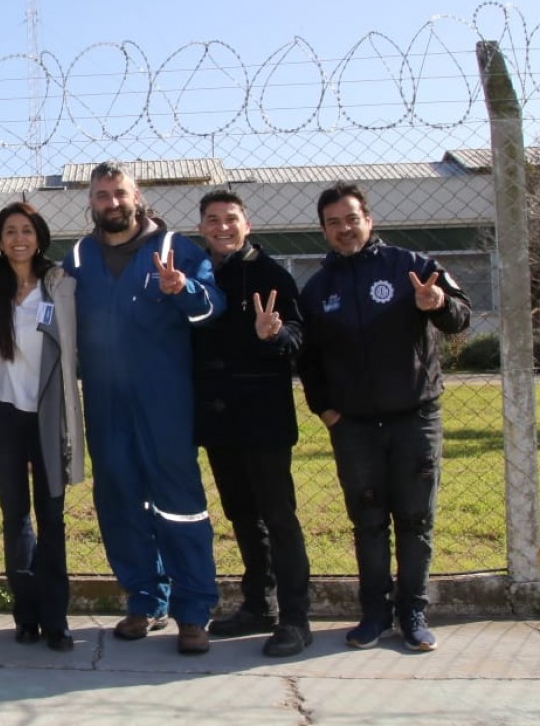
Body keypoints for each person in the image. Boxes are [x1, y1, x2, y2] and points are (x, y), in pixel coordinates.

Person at [297, 182, 470, 653]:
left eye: (351, 219)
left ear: (368, 220)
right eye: (333, 223)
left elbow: (460, 315)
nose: (344, 229)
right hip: (353, 427)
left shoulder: (413, 267)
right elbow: (308, 359)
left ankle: (412, 612)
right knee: (368, 521)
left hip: (414, 418)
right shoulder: (317, 289)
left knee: (415, 519)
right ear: (324, 231)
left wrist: (436, 305)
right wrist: (326, 411)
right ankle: (374, 612)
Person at [61, 161, 225, 655]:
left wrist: (183, 290)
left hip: (163, 404)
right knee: (119, 504)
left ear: (137, 196)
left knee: (180, 508)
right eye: (102, 195)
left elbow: (210, 309)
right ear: (91, 202)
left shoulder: (177, 249)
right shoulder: (77, 257)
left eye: (119, 193)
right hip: (106, 404)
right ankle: (145, 599)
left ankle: (193, 612)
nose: (112, 202)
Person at [193, 189, 313, 658]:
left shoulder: (271, 274)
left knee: (278, 517)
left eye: (231, 219)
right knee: (242, 515)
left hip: (262, 420)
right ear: (201, 227)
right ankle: (258, 603)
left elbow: (299, 337)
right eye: (213, 220)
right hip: (219, 421)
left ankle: (296, 618)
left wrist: (276, 333)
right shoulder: (198, 275)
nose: (222, 227)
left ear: (248, 225)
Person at [0, 201, 84, 652]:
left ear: (40, 237)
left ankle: (56, 619)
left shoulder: (62, 286)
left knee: (52, 517)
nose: (18, 238)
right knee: (16, 519)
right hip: (5, 414)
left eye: (26, 230)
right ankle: (25, 615)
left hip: (48, 415)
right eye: (9, 231)